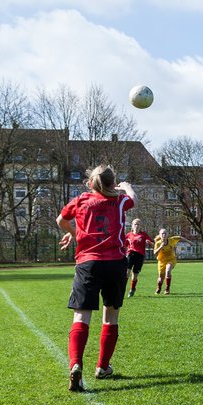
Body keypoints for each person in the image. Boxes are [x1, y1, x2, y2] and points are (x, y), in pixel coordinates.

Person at [57, 165, 135, 391]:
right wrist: (127, 187)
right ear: (112, 184)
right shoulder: (120, 201)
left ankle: (75, 365)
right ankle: (102, 366)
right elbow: (133, 199)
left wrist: (75, 233)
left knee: (81, 317)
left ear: (90, 183)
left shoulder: (81, 200)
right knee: (110, 316)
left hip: (88, 263)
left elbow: (60, 220)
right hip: (115, 263)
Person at [124, 218, 153, 297]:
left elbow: (152, 243)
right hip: (130, 254)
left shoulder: (143, 235)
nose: (137, 226)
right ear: (132, 226)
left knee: (135, 275)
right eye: (135, 224)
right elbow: (124, 244)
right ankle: (122, 290)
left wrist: (149, 242)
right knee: (126, 273)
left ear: (140, 226)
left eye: (138, 224)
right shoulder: (128, 235)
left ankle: (132, 289)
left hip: (139, 256)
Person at [153, 228, 185, 295]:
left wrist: (190, 242)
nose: (164, 235)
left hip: (171, 259)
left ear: (167, 234)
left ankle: (167, 289)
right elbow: (155, 252)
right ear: (160, 235)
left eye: (165, 233)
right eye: (162, 233)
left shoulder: (171, 240)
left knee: (168, 271)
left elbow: (180, 237)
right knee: (160, 278)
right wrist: (160, 247)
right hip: (161, 261)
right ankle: (159, 288)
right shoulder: (158, 243)